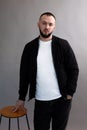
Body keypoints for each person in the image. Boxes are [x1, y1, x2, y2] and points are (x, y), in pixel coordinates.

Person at [13, 12, 79, 130]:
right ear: (38, 24)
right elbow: (24, 75)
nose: (47, 27)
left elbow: (73, 69)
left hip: (62, 100)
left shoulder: (63, 45)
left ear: (54, 26)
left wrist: (70, 93)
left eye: (50, 24)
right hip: (41, 101)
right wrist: (21, 97)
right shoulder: (29, 47)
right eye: (44, 23)